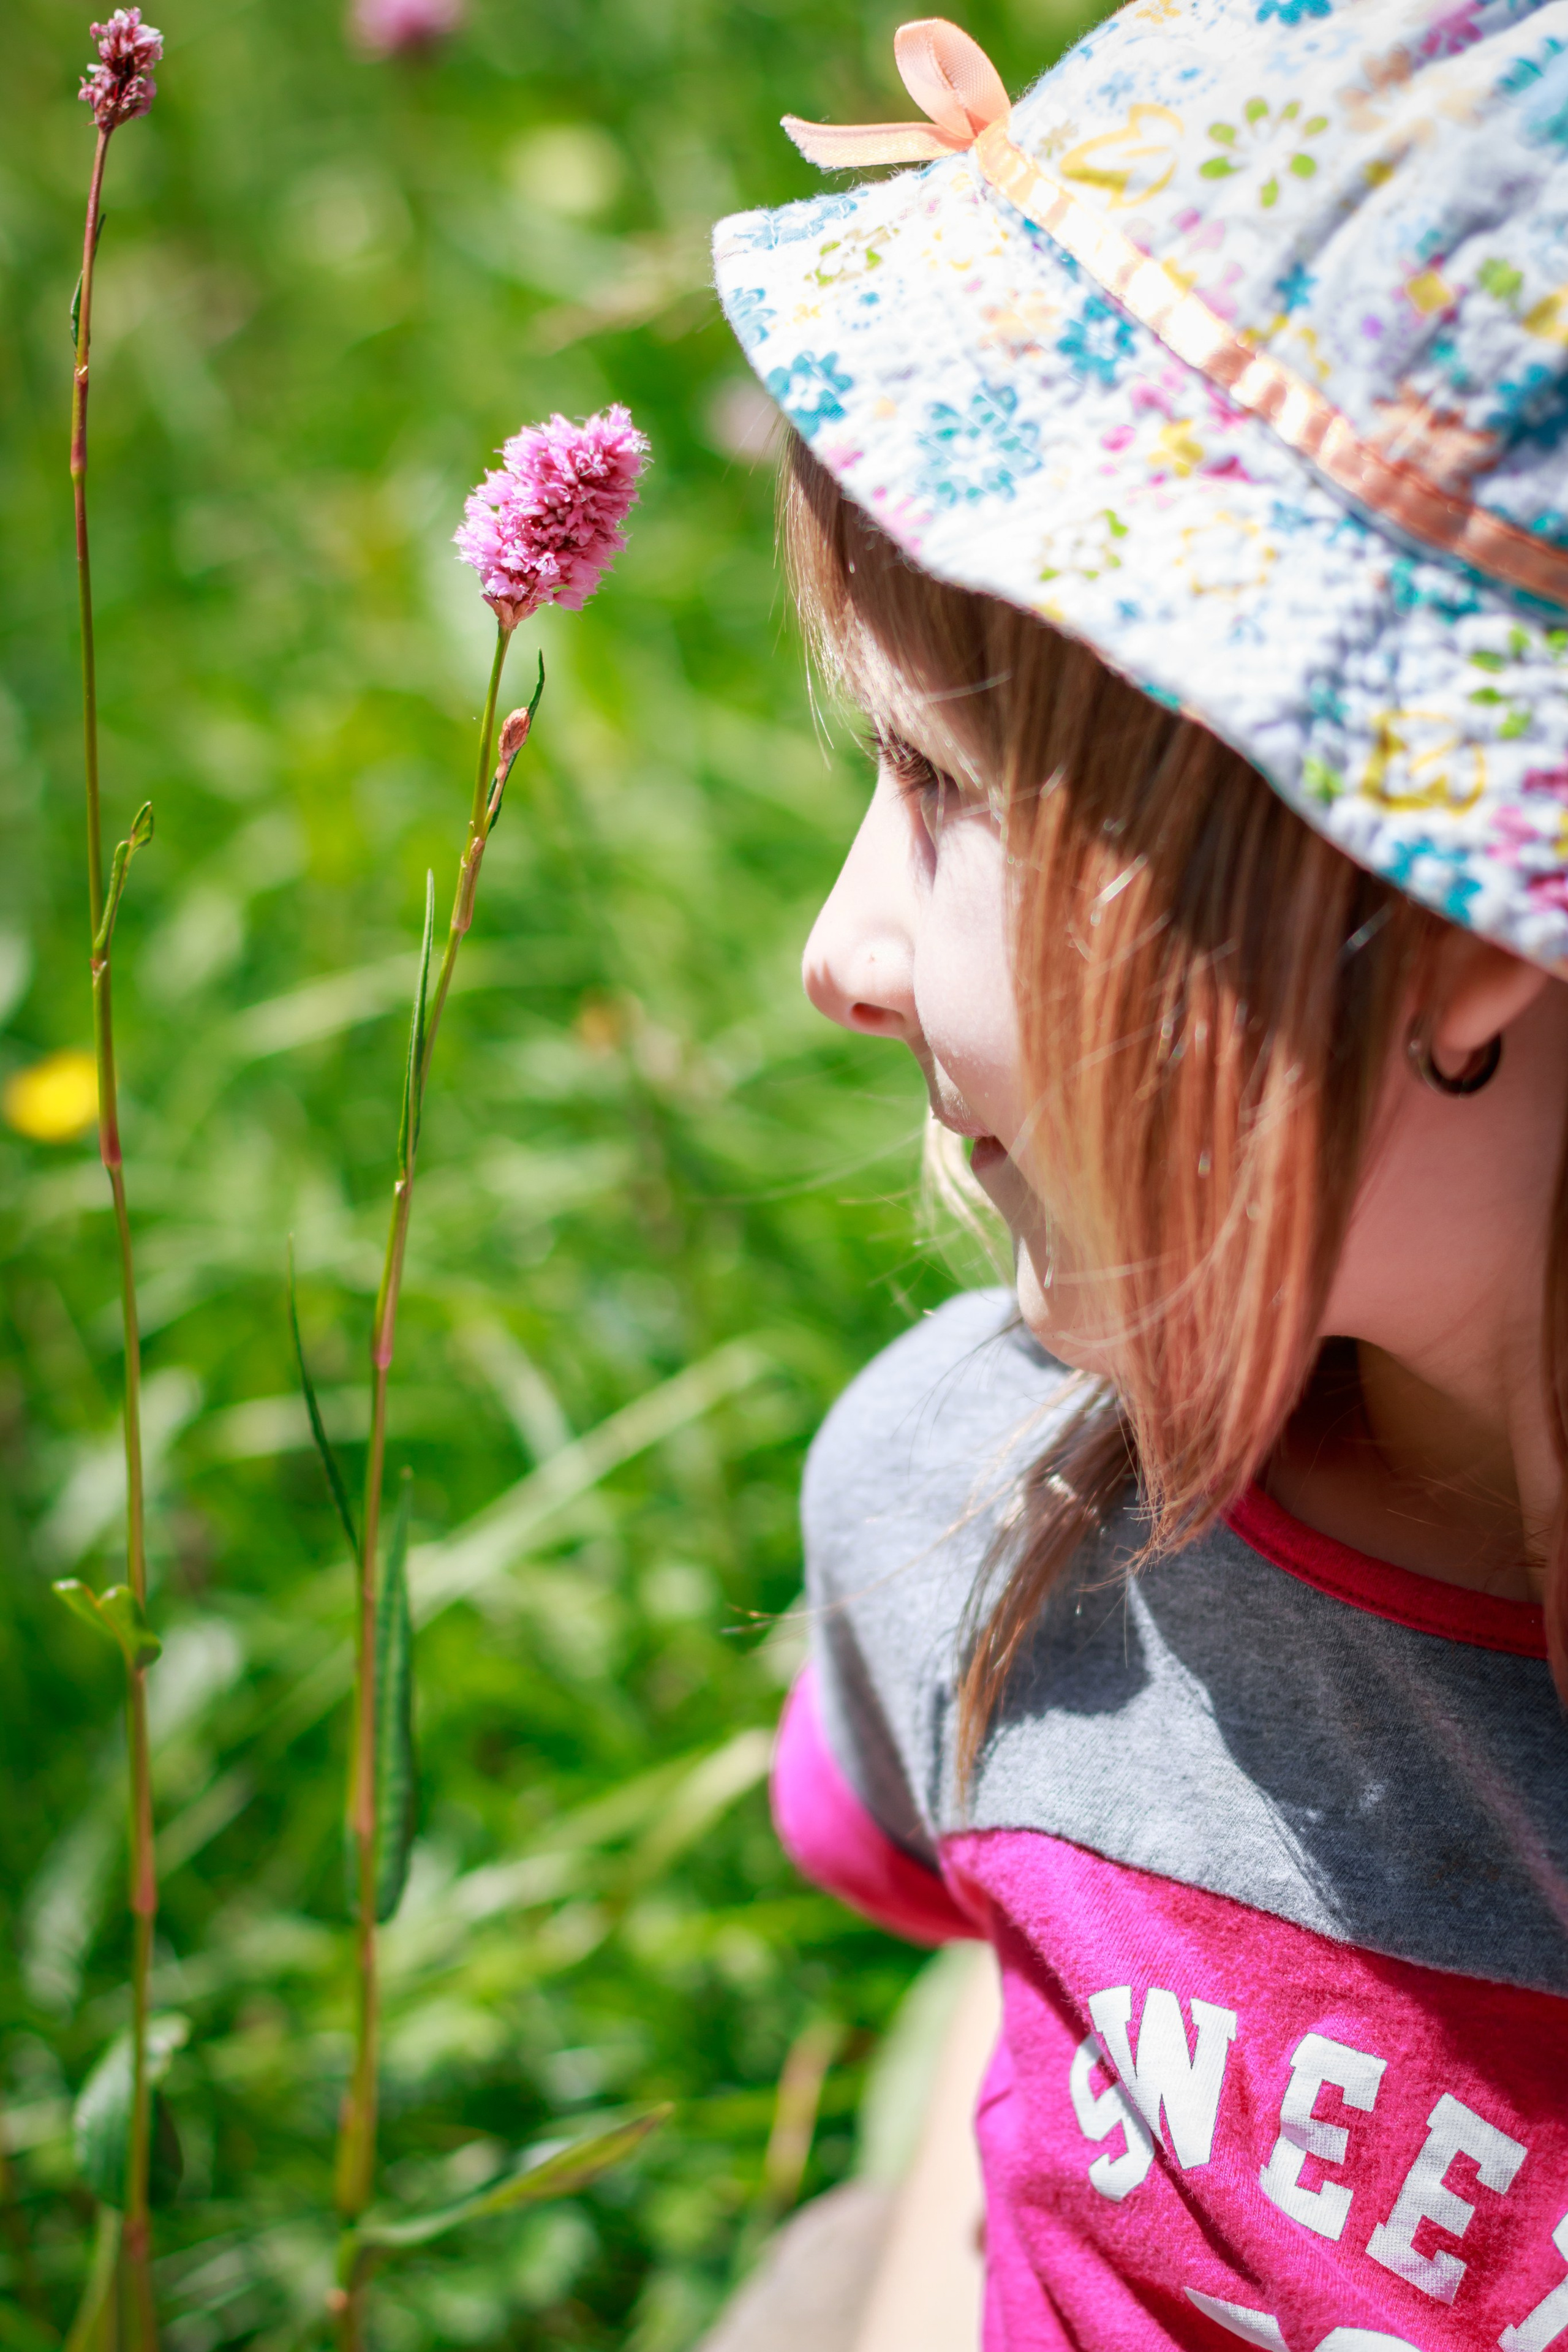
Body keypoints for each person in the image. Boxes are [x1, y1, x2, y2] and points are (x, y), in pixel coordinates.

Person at [711, 2, 1568, 2347]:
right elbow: (1003, 2033)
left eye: (952, 796)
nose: (836, 956)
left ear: (1463, 943)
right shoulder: (977, 1519)